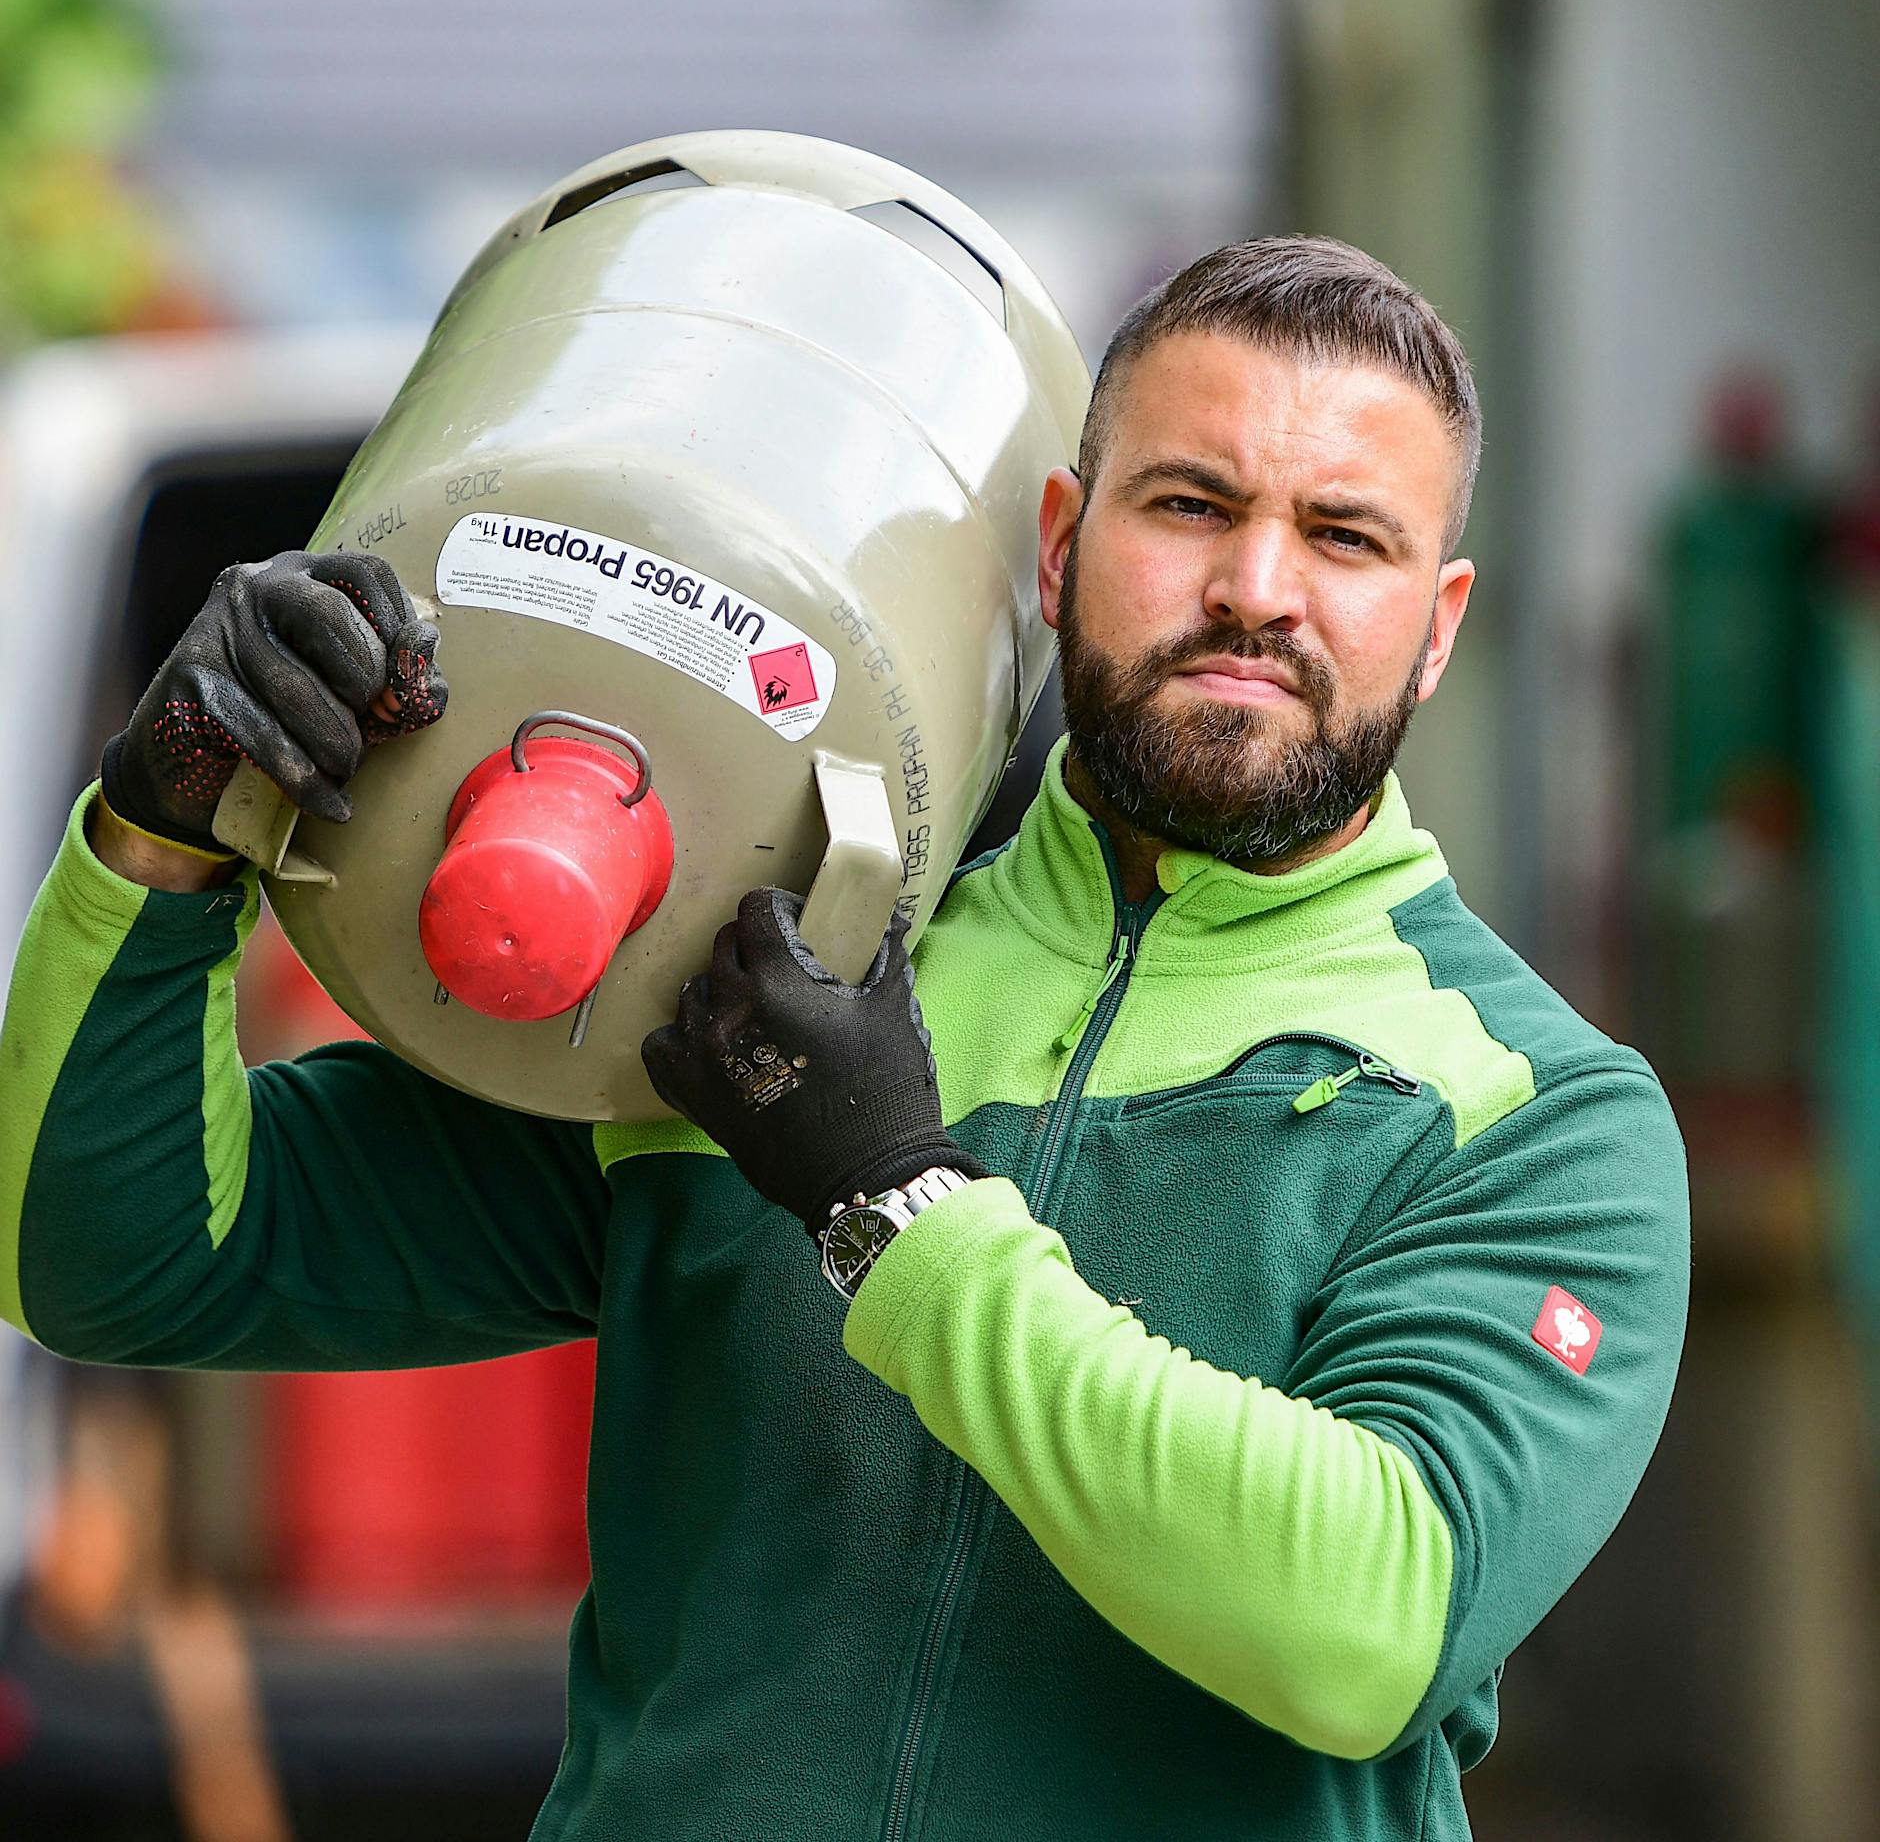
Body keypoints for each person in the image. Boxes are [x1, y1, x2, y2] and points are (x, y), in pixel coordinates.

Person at [0, 236, 1688, 1840]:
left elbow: (1362, 1625)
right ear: (1059, 544)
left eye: (1346, 537)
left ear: (1442, 620)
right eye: (1191, 503)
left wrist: (892, 1198)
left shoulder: (1531, 1116)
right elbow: (104, 1259)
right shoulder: (753, 965)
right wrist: (153, 849)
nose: (1258, 590)